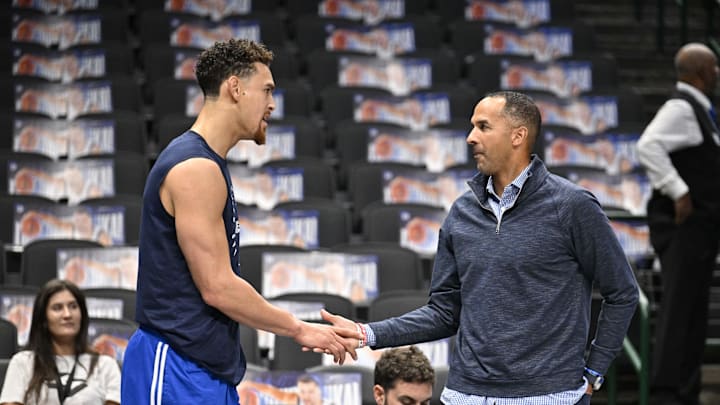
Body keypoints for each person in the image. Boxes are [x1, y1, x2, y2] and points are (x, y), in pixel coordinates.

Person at [324, 90, 639, 404]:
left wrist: (595, 371)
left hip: (550, 396)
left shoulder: (573, 206)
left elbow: (622, 291)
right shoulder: (462, 211)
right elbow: (444, 312)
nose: (470, 137)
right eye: (472, 126)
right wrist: (369, 333)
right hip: (466, 395)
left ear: (518, 135)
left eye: (483, 127)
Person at [120, 39, 360, 404]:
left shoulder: (207, 163)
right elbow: (217, 287)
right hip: (175, 364)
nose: (272, 104)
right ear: (235, 87)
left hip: (203, 366)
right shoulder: (195, 167)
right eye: (266, 90)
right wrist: (299, 329)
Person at [636, 42, 720, 405]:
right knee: (679, 306)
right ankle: (667, 391)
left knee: (693, 308)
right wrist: (679, 191)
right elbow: (648, 145)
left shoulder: (701, 111)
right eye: (715, 67)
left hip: (701, 229)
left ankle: (685, 386)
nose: (718, 74)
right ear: (702, 71)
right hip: (683, 226)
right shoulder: (681, 107)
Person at [0, 279, 121, 405]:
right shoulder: (23, 362)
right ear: (43, 319)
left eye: (73, 306)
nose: (67, 314)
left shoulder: (106, 365)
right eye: (57, 308)